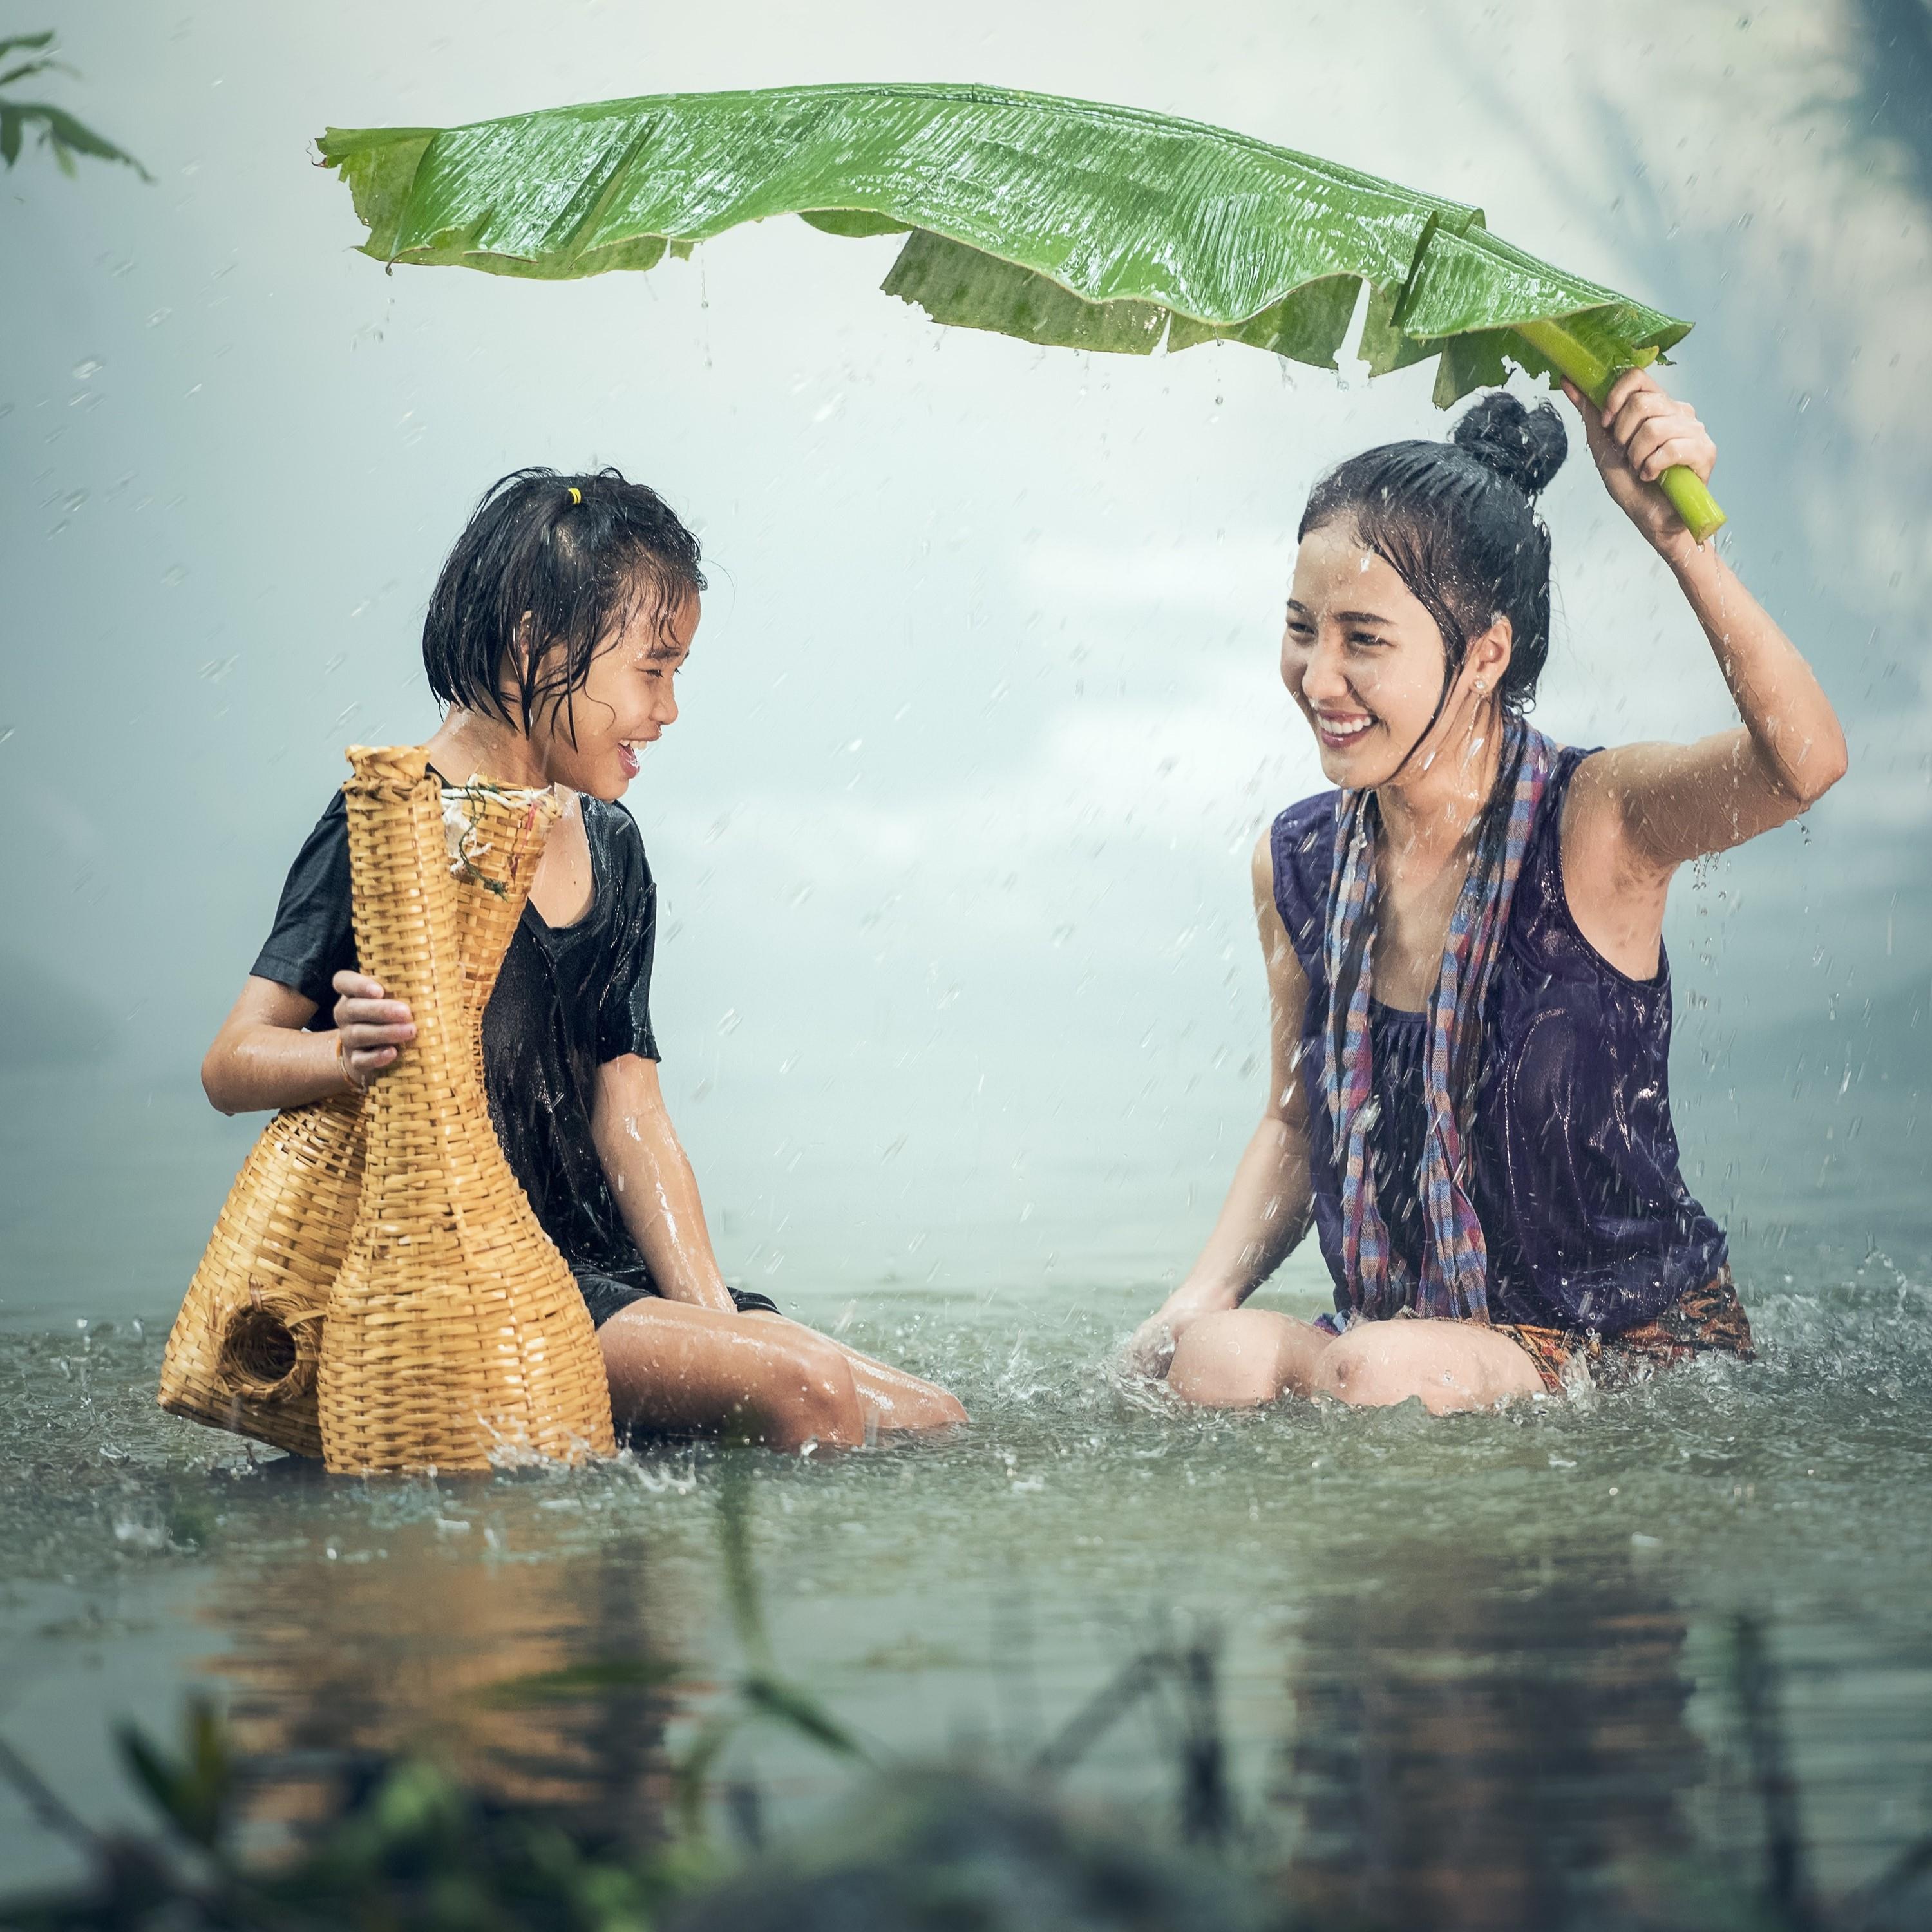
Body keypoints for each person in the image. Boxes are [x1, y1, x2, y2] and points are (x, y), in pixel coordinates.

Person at [201, 467, 966, 1451]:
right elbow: (232, 1062)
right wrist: (340, 1056)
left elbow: (631, 1114)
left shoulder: (611, 844)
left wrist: (714, 1323)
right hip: (485, 1284)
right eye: (654, 671)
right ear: (535, 643)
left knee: (927, 1419)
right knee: (811, 1391)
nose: (671, 710)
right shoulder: (394, 827)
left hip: (607, 1272)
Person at [1128, 374, 1846, 1412]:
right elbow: (1297, 1124)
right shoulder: (1301, 862)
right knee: (1217, 1358)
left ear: (1483, 656)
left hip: (1631, 1348)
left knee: (1377, 1370)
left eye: (1362, 639)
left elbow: (1804, 763)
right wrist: (1192, 1300)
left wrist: (1676, 538)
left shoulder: (1596, 824)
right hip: (1408, 1342)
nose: (1317, 679)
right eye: (1301, 628)